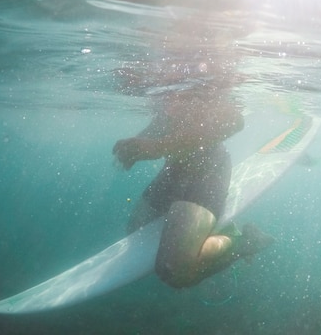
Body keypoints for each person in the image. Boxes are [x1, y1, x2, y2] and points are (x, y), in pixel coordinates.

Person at [113, 87, 273, 288]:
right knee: (135, 233)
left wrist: (158, 147)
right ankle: (195, 232)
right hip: (174, 173)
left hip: (207, 174)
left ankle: (245, 241)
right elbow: (163, 122)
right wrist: (134, 146)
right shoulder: (165, 79)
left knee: (174, 272)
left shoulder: (204, 77)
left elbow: (234, 121)